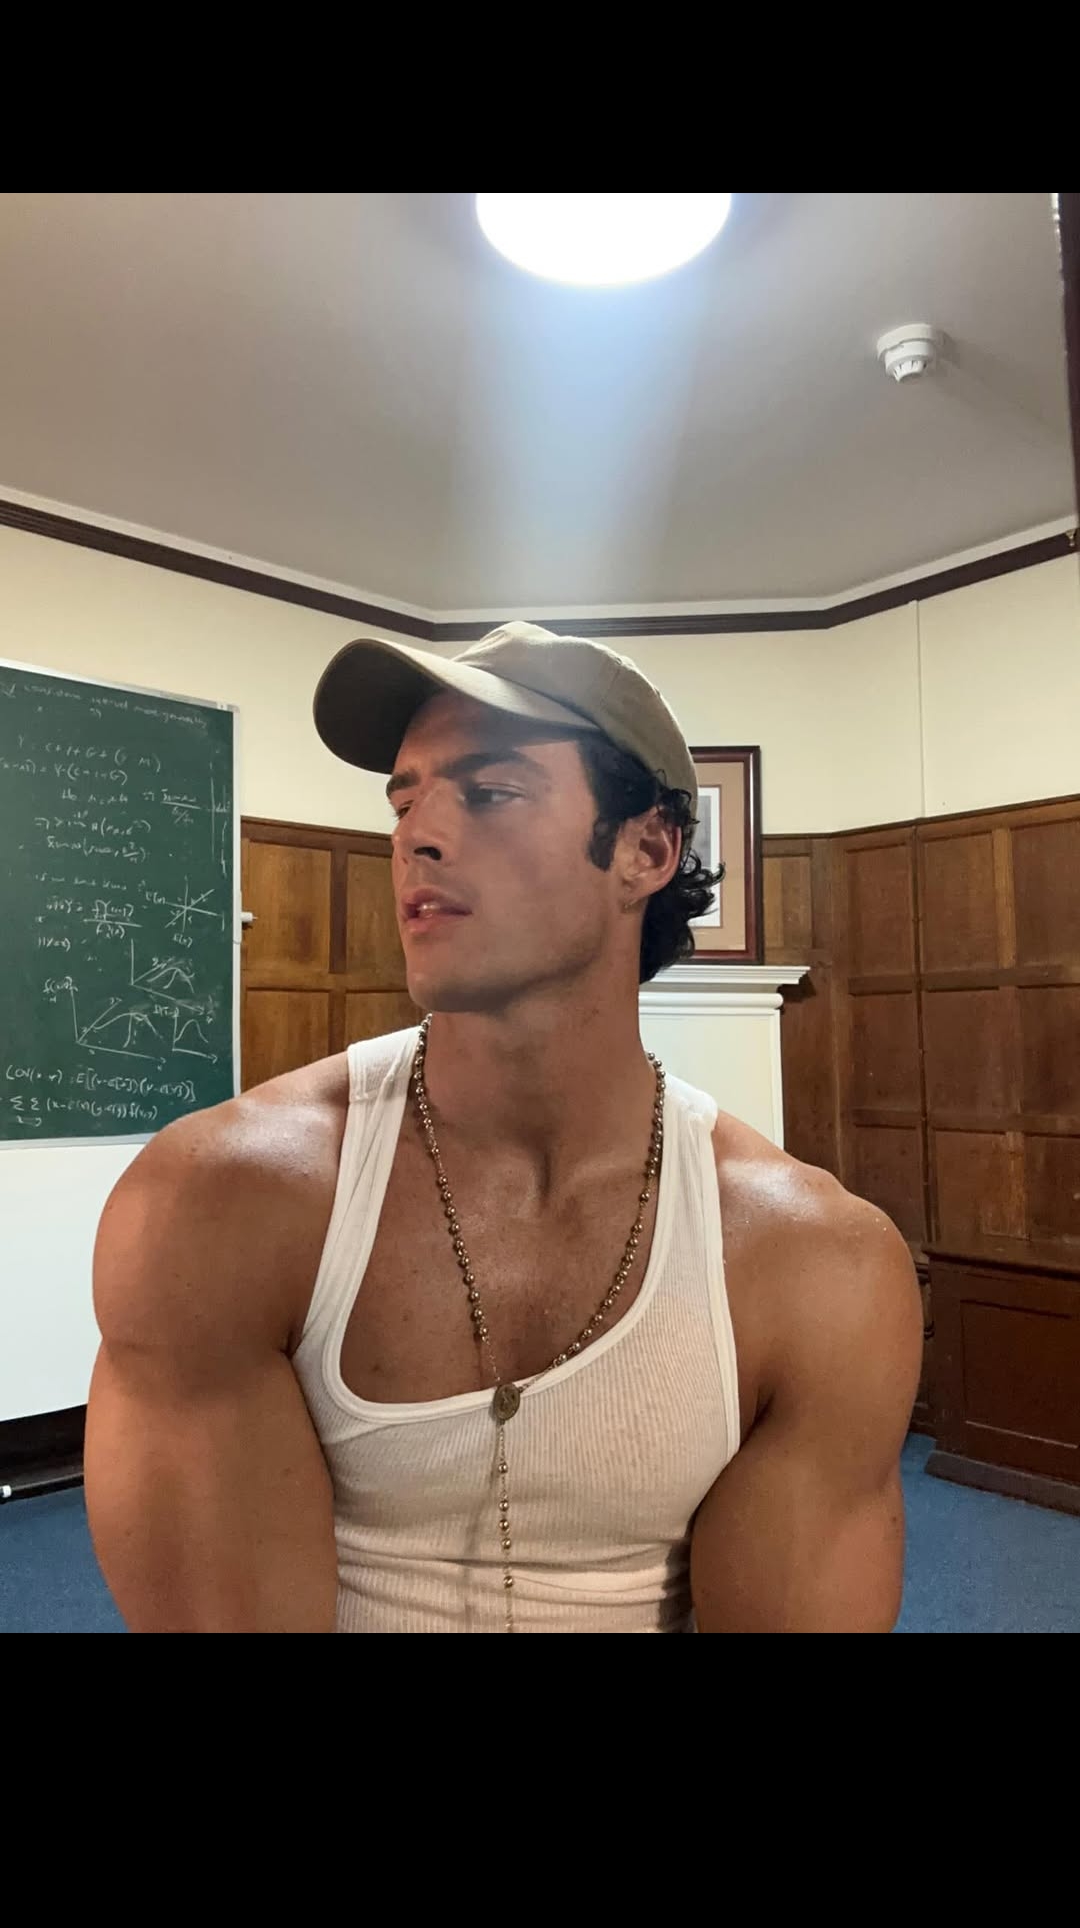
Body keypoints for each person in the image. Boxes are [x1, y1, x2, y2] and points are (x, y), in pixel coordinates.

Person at [85, 620, 924, 1632]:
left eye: (489, 792)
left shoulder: (816, 1266)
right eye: (405, 799)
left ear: (647, 848)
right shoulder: (221, 1202)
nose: (417, 836)